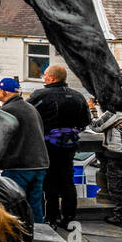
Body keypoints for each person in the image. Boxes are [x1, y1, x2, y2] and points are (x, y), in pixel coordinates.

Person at [29, 65, 91, 231]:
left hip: (47, 145)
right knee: (67, 181)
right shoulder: (78, 97)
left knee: (49, 182)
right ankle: (69, 218)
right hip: (69, 146)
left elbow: (29, 116)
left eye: (46, 75)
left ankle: (52, 218)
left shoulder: (41, 95)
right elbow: (86, 121)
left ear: (51, 78)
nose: (44, 77)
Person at [0, 76, 50, 225]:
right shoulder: (31, 108)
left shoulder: (7, 110)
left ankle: (16, 237)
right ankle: (40, 237)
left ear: (4, 92)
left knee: (13, 204)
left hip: (19, 165)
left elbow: (0, 138)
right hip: (39, 163)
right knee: (34, 204)